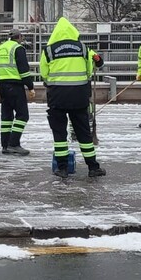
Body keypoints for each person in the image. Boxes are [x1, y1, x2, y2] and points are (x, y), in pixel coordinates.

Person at [40, 17, 106, 178]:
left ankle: (62, 168)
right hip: (79, 97)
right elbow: (94, 66)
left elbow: (44, 74)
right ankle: (93, 167)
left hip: (57, 97)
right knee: (83, 133)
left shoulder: (48, 50)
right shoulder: (83, 48)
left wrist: (54, 83)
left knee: (60, 134)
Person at [0, 30, 34, 155]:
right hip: (15, 86)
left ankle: (5, 145)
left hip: (2, 85)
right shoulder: (18, 48)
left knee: (6, 117)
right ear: (19, 37)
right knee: (23, 115)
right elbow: (24, 70)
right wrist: (30, 86)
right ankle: (14, 143)